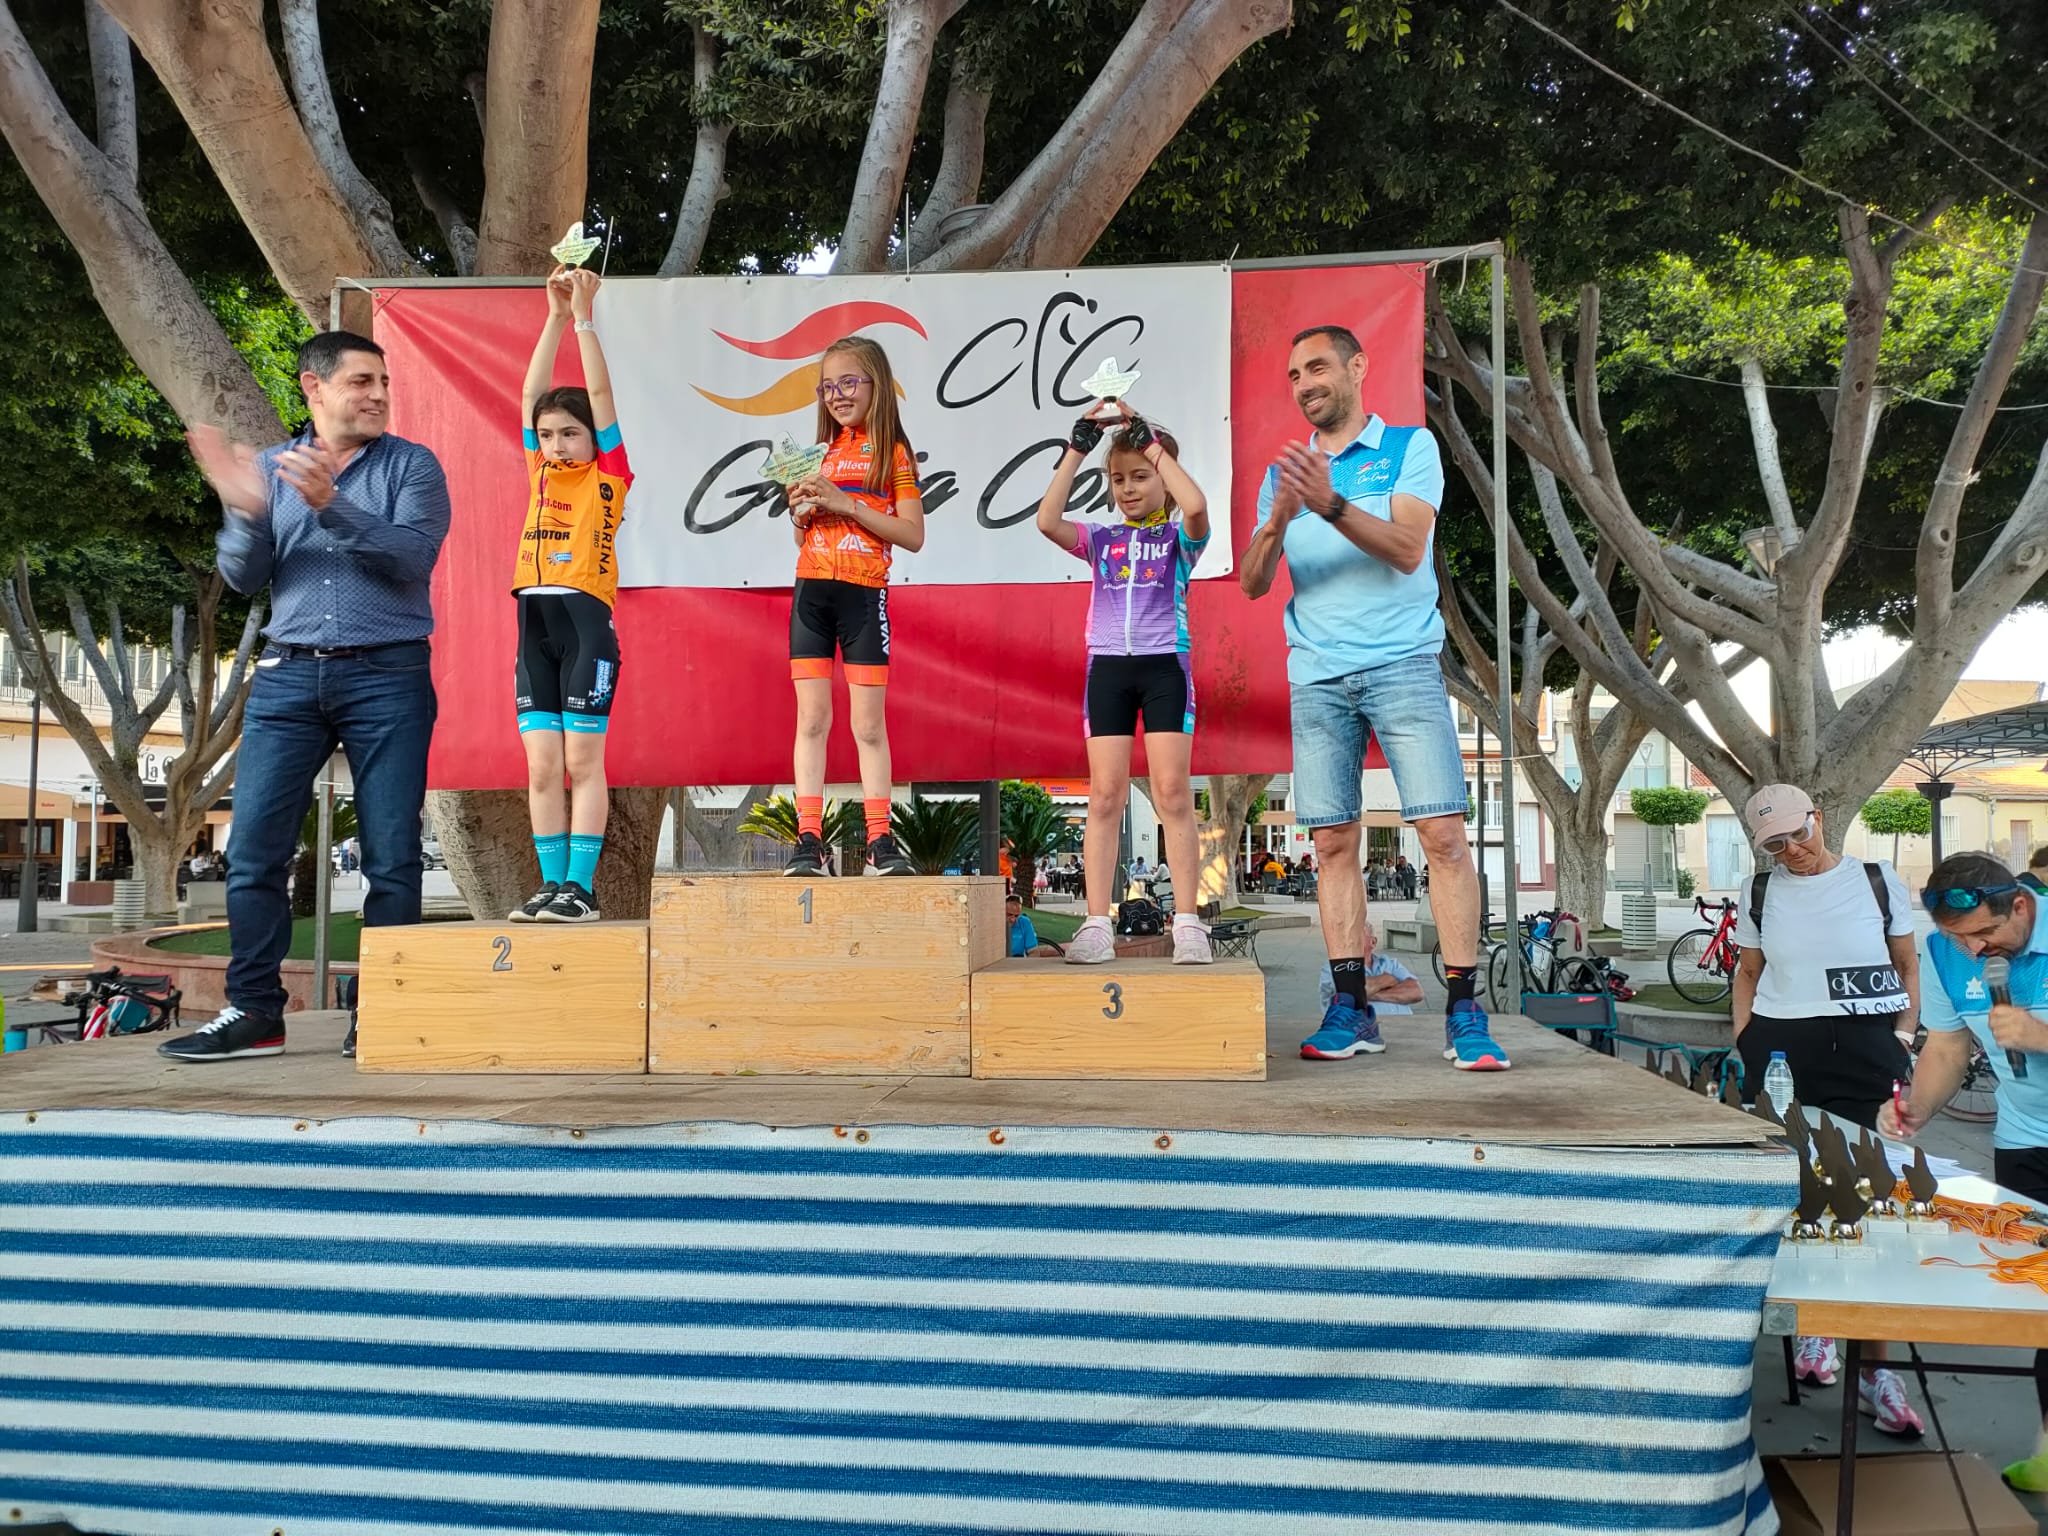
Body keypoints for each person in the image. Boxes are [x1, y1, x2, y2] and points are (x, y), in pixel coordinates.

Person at [166, 330, 450, 1062]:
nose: (379, 395)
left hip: (388, 673)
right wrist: (246, 512)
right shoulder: (269, 469)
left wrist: (330, 504)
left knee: (392, 855)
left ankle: (383, 1013)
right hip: (287, 675)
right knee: (254, 852)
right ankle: (255, 1014)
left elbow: (412, 558)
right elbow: (243, 577)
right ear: (313, 387)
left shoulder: (412, 466)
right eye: (362, 381)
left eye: (383, 382)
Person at [1240, 324, 1500, 1069]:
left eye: (1317, 367)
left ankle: (1464, 1010)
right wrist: (1278, 519)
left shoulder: (1408, 448)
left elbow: (1409, 549)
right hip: (1317, 676)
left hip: (1402, 665)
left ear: (1356, 367)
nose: (1304, 384)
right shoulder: (1284, 474)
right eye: (1294, 375)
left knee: (1442, 836)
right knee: (1330, 844)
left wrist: (1328, 505)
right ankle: (1350, 1007)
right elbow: (1254, 582)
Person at [1731, 784, 1924, 1438]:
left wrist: (1903, 1037)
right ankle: (1816, 1326)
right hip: (1784, 1051)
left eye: (1799, 833)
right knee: (1801, 1195)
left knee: (1873, 1199)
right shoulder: (1760, 891)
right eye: (1775, 844)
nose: (1793, 849)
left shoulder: (1876, 879)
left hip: (1868, 1046)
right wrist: (1745, 1040)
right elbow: (1748, 973)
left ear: (1819, 817)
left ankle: (1877, 1367)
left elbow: (1906, 964)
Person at [1881, 851, 2048, 1487]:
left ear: (2021, 906)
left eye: (1984, 933)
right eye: (1960, 940)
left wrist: (2039, 1035)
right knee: (2041, 1299)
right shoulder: (1943, 952)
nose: (1975, 951)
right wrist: (1916, 1108)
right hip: (2025, 1141)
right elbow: (1950, 1048)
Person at [508, 266, 632, 923]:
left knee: (583, 762)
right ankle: (551, 886)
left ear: (593, 439)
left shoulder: (608, 474)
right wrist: (552, 316)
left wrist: (582, 318)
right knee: (540, 769)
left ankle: (581, 890)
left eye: (570, 433)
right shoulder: (540, 471)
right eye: (548, 434)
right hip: (533, 626)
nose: (556, 445)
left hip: (587, 630)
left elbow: (600, 393)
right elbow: (531, 393)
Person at [781, 334, 924, 879]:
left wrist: (848, 504)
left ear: (876, 386)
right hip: (811, 593)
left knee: (867, 725)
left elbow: (913, 535)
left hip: (864, 594)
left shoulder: (892, 452)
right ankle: (809, 839)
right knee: (812, 719)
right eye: (828, 386)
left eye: (848, 382)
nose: (837, 395)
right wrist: (799, 512)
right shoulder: (819, 451)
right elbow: (803, 537)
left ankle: (879, 841)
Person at [1318, 923, 1426, 1014]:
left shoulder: (1390, 964)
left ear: (1373, 942)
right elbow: (1350, 993)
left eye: (1356, 934)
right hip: (1362, 1029)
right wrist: (1386, 980)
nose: (1350, 940)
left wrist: (1370, 994)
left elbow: (1417, 992)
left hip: (1404, 1026)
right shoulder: (1334, 967)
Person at [1006, 893, 1039, 958]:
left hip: (1018, 959)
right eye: (1009, 915)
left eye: (1016, 916)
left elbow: (1034, 952)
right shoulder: (994, 923)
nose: (1013, 919)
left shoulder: (1025, 922)